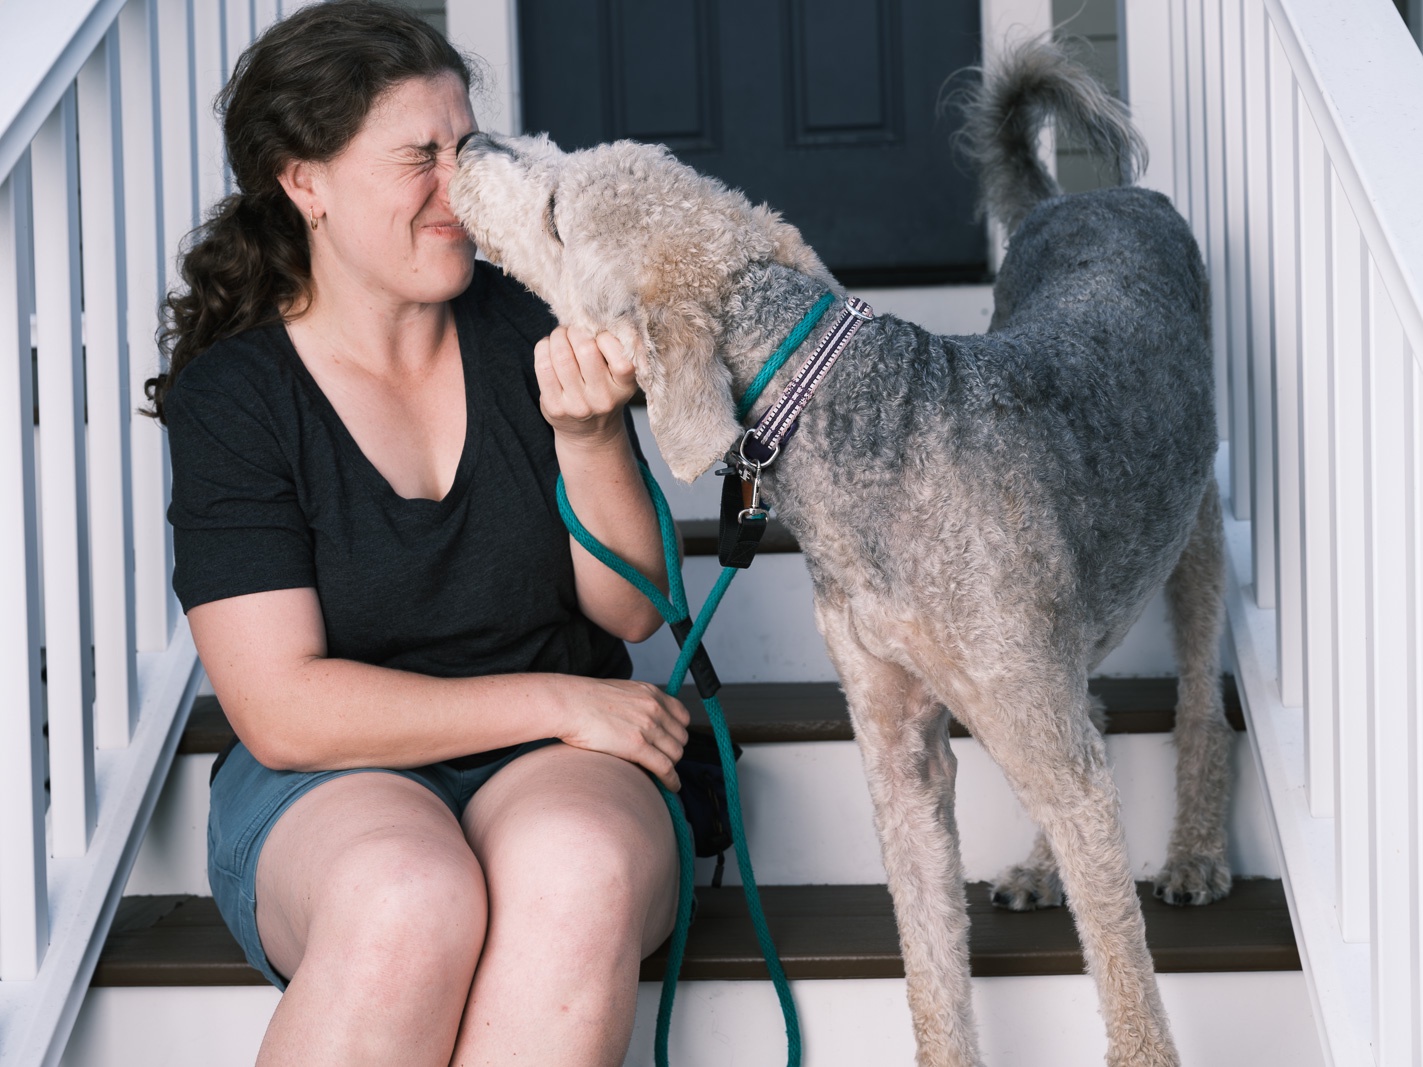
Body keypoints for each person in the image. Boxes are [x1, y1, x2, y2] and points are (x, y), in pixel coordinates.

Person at [150, 3, 689, 1063]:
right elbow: (285, 708)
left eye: (466, 149)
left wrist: (586, 436)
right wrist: (562, 696)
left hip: (558, 761)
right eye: (419, 158)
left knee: (574, 866)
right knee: (407, 895)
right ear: (303, 181)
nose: (462, 189)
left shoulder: (530, 319)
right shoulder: (236, 399)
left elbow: (631, 606)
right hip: (333, 778)